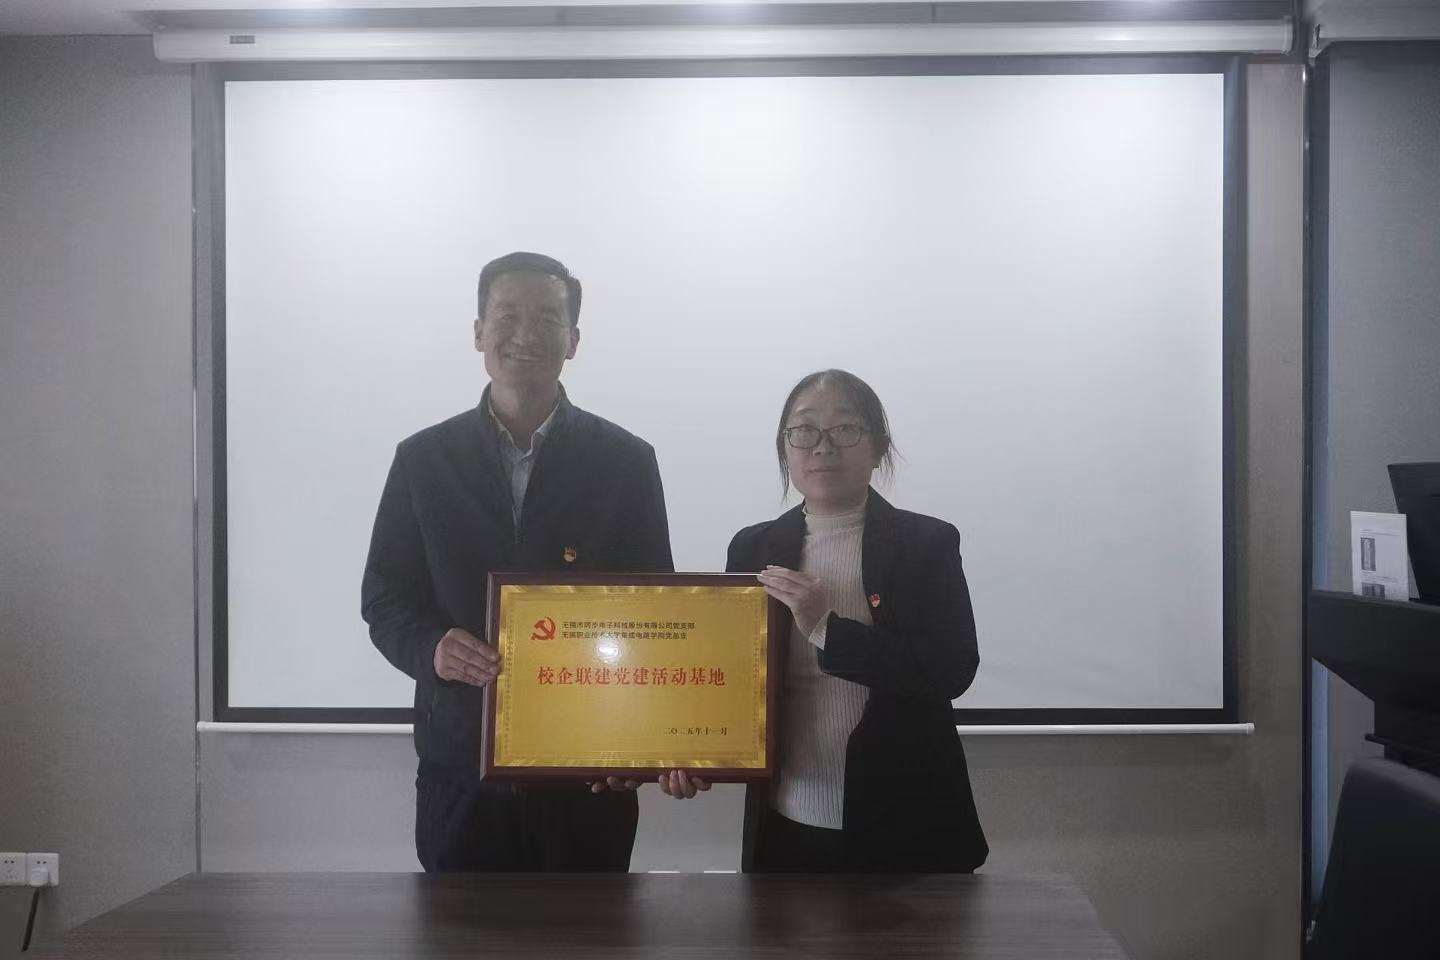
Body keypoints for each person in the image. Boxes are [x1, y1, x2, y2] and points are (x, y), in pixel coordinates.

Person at [362, 251, 673, 872]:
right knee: (460, 925)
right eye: (507, 315)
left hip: (587, 773)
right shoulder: (423, 460)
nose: (525, 334)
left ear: (573, 340)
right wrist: (431, 647)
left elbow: (655, 612)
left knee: (588, 926)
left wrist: (635, 746)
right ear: (479, 331)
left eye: (547, 318)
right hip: (461, 769)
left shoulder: (625, 462)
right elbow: (385, 596)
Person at [659, 369, 987, 873]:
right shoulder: (753, 547)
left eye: (845, 429)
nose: (822, 446)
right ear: (785, 447)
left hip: (908, 822)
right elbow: (731, 677)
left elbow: (951, 670)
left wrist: (826, 628)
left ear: (878, 447)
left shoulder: (926, 544)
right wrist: (690, 751)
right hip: (787, 821)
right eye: (804, 429)